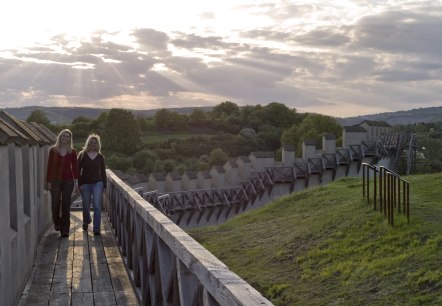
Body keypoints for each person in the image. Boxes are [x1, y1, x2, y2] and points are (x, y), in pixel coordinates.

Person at [46, 129, 78, 238]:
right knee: (55, 203)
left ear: (70, 139)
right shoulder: (53, 150)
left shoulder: (72, 151)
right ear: (60, 137)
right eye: (63, 136)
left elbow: (75, 167)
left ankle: (65, 230)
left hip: (68, 181)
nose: (65, 138)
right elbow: (49, 167)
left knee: (66, 205)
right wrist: (48, 181)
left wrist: (76, 181)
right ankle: (57, 222)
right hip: (55, 181)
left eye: (67, 136)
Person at [78, 134, 107, 235]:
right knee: (86, 205)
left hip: (97, 183)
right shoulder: (82, 155)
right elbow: (78, 171)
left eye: (95, 142)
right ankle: (86, 221)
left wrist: (105, 186)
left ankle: (96, 228)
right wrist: (79, 184)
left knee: (97, 206)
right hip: (85, 183)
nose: (93, 144)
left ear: (98, 144)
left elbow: (103, 172)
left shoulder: (100, 157)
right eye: (91, 142)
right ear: (88, 143)